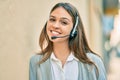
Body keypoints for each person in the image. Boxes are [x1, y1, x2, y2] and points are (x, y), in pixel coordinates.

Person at [29, 2, 107, 80]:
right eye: (52, 19)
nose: (55, 25)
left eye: (64, 22)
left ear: (74, 30)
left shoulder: (94, 63)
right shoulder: (35, 63)